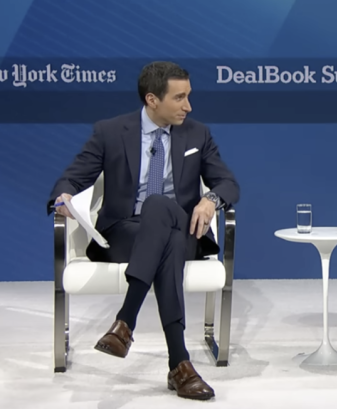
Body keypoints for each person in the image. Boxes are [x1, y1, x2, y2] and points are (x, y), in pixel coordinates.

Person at [47, 61, 240, 401]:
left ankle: (125, 322)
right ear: (152, 99)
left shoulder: (197, 134)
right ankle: (179, 364)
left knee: (159, 207)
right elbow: (72, 178)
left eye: (188, 96)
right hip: (125, 233)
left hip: (184, 229)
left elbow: (227, 183)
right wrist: (62, 197)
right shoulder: (110, 132)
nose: (188, 106)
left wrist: (210, 199)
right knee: (164, 232)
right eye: (179, 98)